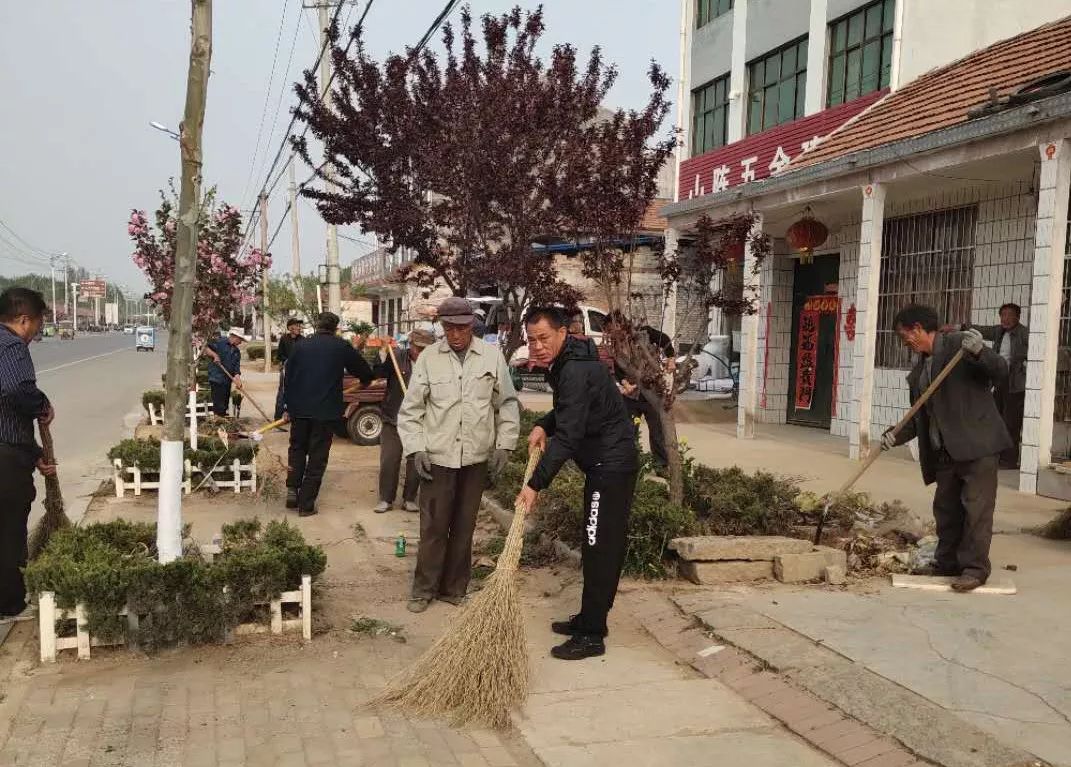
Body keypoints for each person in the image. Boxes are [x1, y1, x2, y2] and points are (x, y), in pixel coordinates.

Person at [515, 307, 638, 660]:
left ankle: (592, 635)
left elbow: (569, 437)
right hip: (605, 463)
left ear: (563, 334)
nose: (537, 346)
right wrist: (543, 423)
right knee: (594, 544)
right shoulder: (570, 363)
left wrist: (534, 485)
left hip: (610, 467)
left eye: (544, 338)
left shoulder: (574, 369)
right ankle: (587, 618)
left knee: (600, 547)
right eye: (532, 339)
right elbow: (571, 409)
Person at [398, 296, 519, 613]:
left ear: (472, 326)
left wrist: (505, 445)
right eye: (448, 327)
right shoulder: (428, 359)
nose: (455, 335)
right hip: (438, 458)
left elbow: (506, 404)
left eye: (461, 328)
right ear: (441, 327)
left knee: (464, 527)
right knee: (434, 527)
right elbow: (410, 411)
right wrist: (416, 449)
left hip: (476, 458)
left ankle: (454, 588)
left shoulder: (492, 357)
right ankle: (424, 589)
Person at [882, 304, 1011, 592]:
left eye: (906, 337)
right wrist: (894, 434)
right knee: (946, 510)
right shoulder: (920, 372)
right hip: (945, 452)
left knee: (976, 510)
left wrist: (981, 351)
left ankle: (975, 569)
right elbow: (918, 417)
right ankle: (947, 563)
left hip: (977, 445)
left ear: (917, 328)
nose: (906, 343)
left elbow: (1000, 371)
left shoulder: (958, 345)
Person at [0, 288, 56, 622]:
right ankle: (10, 603)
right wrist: (42, 405)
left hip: (11, 446)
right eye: (36, 324)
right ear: (23, 320)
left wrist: (33, 450)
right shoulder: (11, 346)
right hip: (5, 461)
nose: (36, 332)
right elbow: (16, 389)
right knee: (8, 531)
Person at [283, 312, 374, 516]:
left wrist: (288, 406)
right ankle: (306, 505)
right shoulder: (340, 346)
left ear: (317, 326)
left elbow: (287, 378)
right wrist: (367, 379)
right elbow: (363, 370)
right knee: (317, 456)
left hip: (299, 409)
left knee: (297, 449)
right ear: (335, 328)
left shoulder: (300, 346)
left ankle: (292, 489)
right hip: (324, 412)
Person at [374, 329, 435, 513]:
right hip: (394, 418)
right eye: (418, 348)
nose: (421, 352)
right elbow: (378, 373)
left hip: (420, 421)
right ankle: (386, 499)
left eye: (425, 348)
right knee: (389, 460)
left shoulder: (433, 364)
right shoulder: (397, 357)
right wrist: (383, 353)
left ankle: (409, 498)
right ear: (410, 345)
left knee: (415, 461)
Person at [605, 311, 674, 471]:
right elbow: (618, 367)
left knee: (657, 432)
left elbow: (665, 340)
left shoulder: (645, 333)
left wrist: (671, 359)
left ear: (619, 324)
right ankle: (631, 465)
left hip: (652, 393)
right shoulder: (617, 344)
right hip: (631, 395)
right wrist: (624, 383)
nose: (609, 333)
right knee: (628, 431)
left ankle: (661, 466)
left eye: (610, 328)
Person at [961, 304, 1028, 469]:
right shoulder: (999, 331)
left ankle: (1010, 460)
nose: (1005, 318)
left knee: (1012, 423)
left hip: (1016, 385)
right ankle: (997, 456)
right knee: (996, 420)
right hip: (1000, 381)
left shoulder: (1024, 333)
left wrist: (1024, 366)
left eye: (1009, 315)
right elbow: (980, 330)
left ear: (1017, 317)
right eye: (1002, 315)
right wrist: (959, 327)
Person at [204, 328, 248, 417]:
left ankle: (221, 421)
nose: (241, 342)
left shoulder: (236, 352)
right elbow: (206, 348)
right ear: (235, 337)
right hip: (216, 378)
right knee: (218, 404)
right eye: (240, 340)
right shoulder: (220, 342)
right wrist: (215, 355)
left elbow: (236, 369)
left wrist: (238, 380)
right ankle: (218, 423)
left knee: (224, 404)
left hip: (227, 380)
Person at [274, 317, 305, 420]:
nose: (299, 327)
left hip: (299, 371)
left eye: (299, 326)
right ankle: (278, 417)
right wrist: (286, 360)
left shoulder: (303, 339)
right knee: (282, 392)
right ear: (290, 327)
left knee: (298, 392)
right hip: (286, 370)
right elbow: (279, 355)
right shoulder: (284, 339)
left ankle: (294, 416)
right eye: (297, 325)